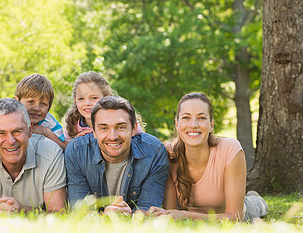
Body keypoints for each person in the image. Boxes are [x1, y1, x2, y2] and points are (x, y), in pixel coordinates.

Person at [149, 92, 268, 222]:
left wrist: (185, 215)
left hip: (236, 211)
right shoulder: (168, 154)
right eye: (186, 118)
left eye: (201, 118)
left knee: (257, 207)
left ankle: (255, 199)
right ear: (177, 124)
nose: (193, 124)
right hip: (197, 216)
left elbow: (235, 217)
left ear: (211, 125)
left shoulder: (230, 149)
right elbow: (170, 213)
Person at [65, 96, 169, 215]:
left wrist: (128, 215)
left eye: (120, 127)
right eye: (104, 128)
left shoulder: (154, 152)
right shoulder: (77, 152)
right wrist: (106, 215)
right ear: (93, 131)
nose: (113, 136)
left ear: (134, 128)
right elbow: (81, 211)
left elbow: (149, 212)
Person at [0, 98, 67, 213]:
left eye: (17, 131)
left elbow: (59, 214)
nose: (10, 141)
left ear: (30, 130)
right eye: (1, 133)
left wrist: (23, 211)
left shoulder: (51, 153)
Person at [0, 73, 66, 150]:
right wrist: (3, 133)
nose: (37, 108)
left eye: (43, 104)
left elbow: (65, 148)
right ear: (17, 101)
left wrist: (46, 132)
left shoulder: (49, 124)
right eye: (31, 102)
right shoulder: (8, 117)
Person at [63, 71, 142, 141]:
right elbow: (67, 150)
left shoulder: (120, 117)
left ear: (107, 98)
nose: (87, 103)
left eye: (94, 98)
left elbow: (139, 136)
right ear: (75, 100)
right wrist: (75, 141)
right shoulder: (73, 125)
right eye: (81, 98)